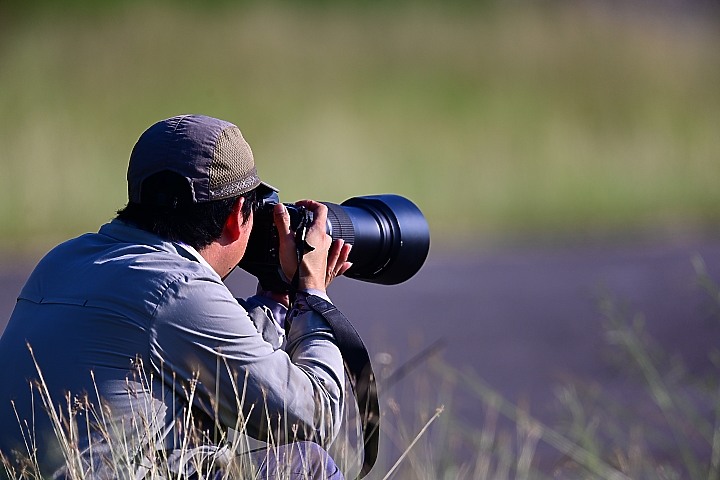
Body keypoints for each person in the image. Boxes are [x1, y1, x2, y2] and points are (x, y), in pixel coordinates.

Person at [0, 114, 356, 479]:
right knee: (307, 464)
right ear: (237, 216)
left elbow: (214, 358)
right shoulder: (179, 288)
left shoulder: (63, 259)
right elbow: (313, 418)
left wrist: (277, 297)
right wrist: (312, 295)